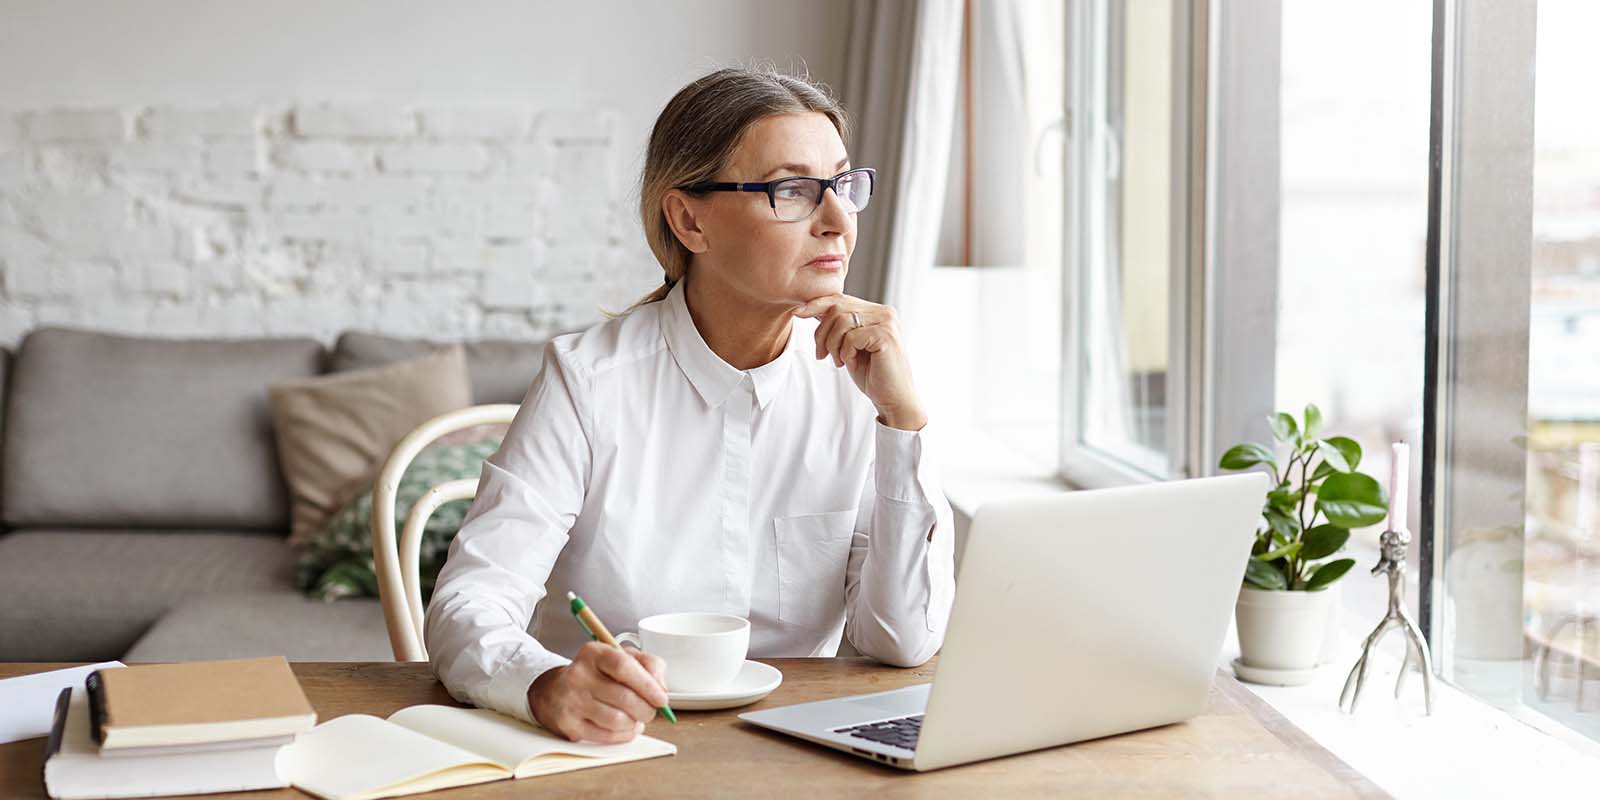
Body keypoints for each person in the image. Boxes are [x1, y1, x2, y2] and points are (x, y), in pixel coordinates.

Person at [424, 66, 956, 744]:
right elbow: (470, 600)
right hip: (616, 750)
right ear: (689, 219)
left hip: (801, 753)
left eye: (843, 185)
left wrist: (904, 426)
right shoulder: (588, 381)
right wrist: (546, 685)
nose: (836, 221)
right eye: (792, 189)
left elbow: (902, 643)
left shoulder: (861, 383)